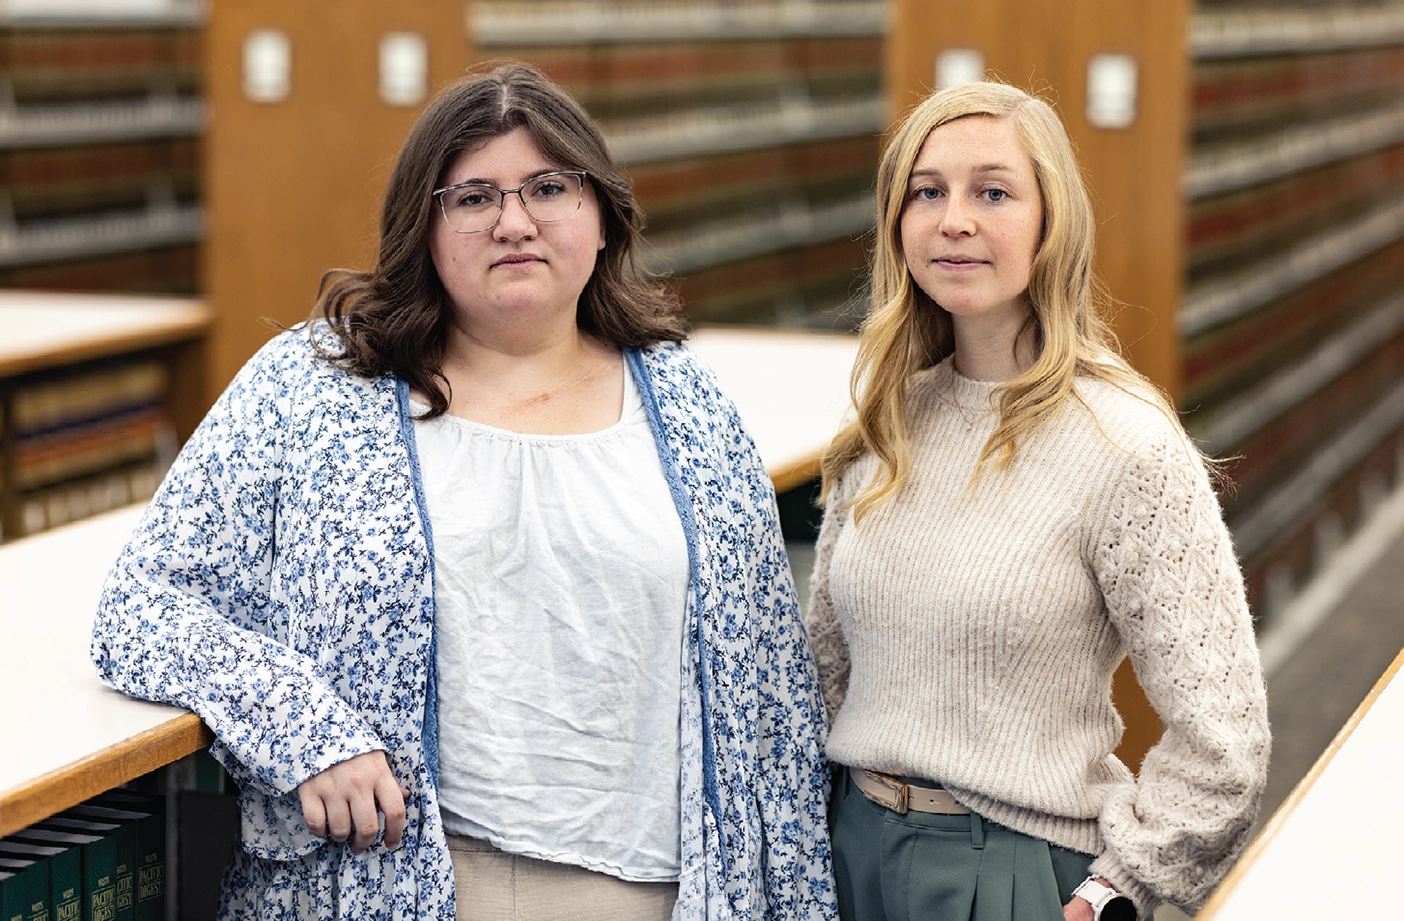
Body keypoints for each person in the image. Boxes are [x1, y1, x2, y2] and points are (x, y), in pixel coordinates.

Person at [92, 63, 837, 921]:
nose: (513, 222)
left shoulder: (692, 407)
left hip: (652, 893)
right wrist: (300, 727)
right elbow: (142, 604)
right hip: (388, 887)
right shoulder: (314, 387)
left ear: (601, 217)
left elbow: (775, 704)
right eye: (473, 197)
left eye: (548, 187)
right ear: (425, 227)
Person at [805, 81, 1270, 921]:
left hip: (1012, 871)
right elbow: (827, 667)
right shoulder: (883, 420)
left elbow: (1224, 736)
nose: (954, 219)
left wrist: (1123, 887)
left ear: (1052, 221)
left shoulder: (1125, 444)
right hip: (852, 855)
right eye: (927, 191)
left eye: (993, 191)